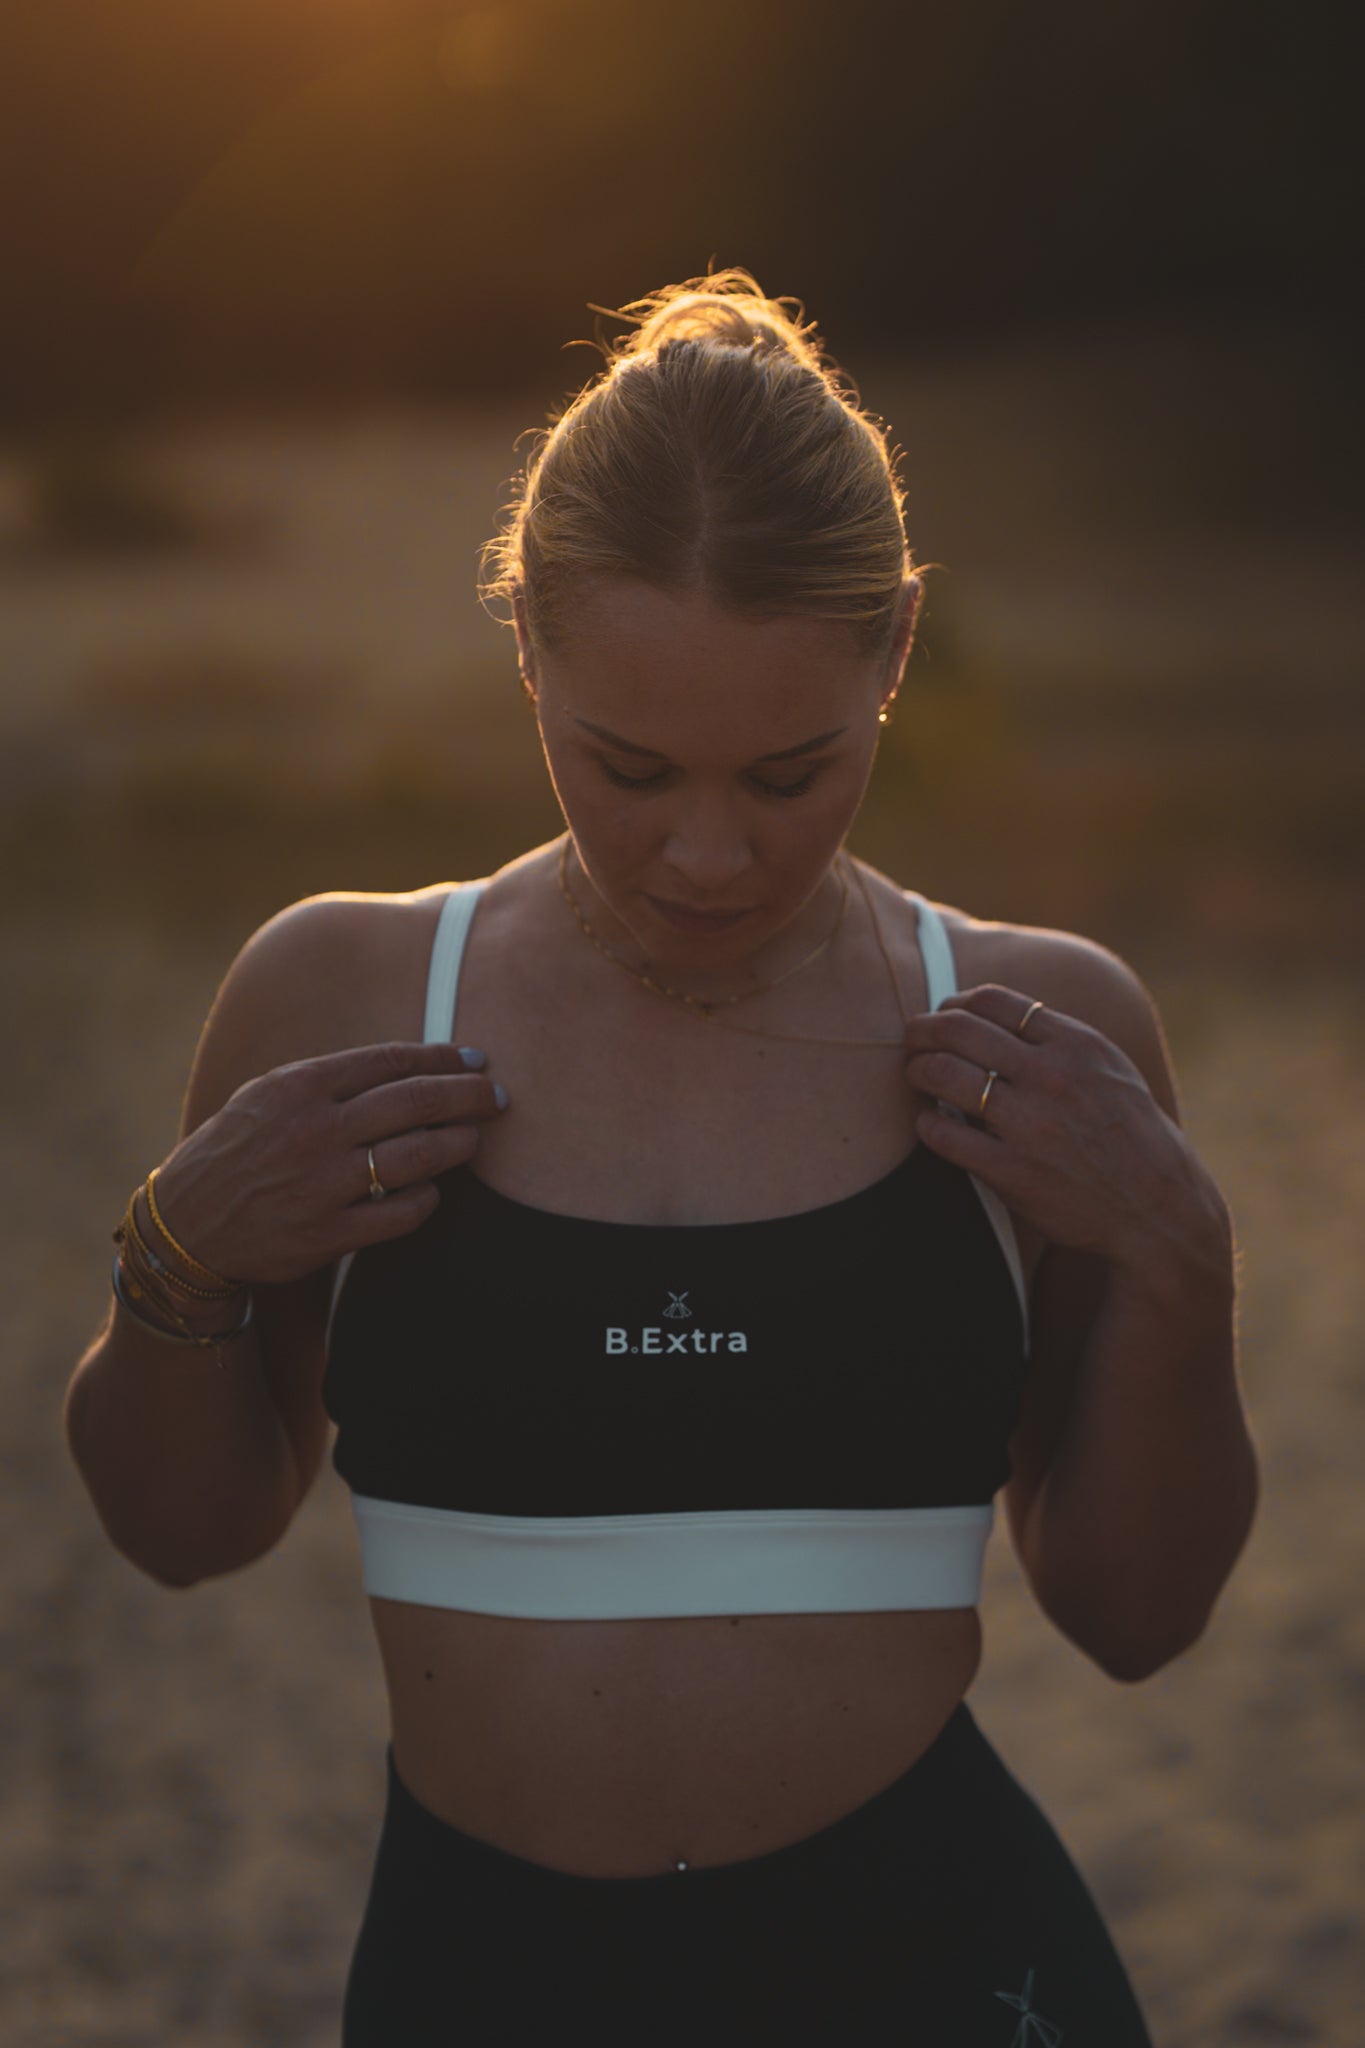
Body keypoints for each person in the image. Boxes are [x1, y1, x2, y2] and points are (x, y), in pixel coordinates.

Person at [63, 269, 1258, 2045]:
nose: (707, 856)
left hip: (940, 1978)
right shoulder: (341, 992)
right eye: (627, 769)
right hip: (483, 1983)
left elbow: (1135, 1617)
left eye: (788, 775)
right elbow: (183, 1533)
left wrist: (1181, 1257)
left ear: (897, 651)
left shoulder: (1030, 1026)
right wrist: (178, 1250)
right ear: (527, 643)